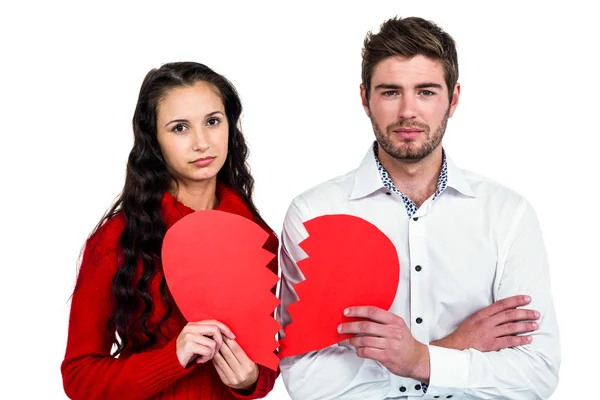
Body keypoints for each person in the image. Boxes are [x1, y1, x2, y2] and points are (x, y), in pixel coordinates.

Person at [277, 17, 560, 400]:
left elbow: (536, 374)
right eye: (391, 92)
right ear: (365, 99)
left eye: (426, 92)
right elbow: (308, 379)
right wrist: (453, 349)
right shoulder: (314, 212)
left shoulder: (508, 214)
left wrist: (421, 359)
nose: (408, 111)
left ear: (453, 99)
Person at [61, 62, 279, 400]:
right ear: (154, 141)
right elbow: (78, 376)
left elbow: (268, 357)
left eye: (212, 121)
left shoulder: (259, 238)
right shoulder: (117, 240)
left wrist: (251, 380)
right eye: (180, 128)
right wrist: (171, 359)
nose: (202, 142)